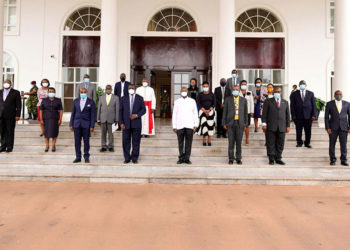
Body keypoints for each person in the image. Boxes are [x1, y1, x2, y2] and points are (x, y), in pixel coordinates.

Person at [262, 87, 291, 165]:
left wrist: (288, 125)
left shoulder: (285, 102)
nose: (277, 93)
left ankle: (278, 158)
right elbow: (264, 114)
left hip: (282, 126)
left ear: (281, 92)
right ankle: (271, 158)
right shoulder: (268, 101)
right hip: (271, 125)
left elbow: (287, 115)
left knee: (280, 143)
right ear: (273, 92)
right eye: (276, 91)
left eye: (279, 91)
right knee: (270, 143)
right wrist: (264, 124)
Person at [119, 84, 146, 164]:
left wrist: (137, 115)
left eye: (132, 88)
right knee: (125, 142)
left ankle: (134, 158)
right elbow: (120, 111)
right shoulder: (123, 98)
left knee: (136, 142)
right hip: (125, 124)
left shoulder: (140, 98)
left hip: (136, 124)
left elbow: (144, 110)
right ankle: (127, 158)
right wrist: (121, 123)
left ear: (135, 89)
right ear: (128, 89)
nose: (131, 89)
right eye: (130, 88)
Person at [222, 85, 248, 165]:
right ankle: (231, 158)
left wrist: (246, 124)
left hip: (240, 123)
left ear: (239, 90)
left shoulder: (243, 100)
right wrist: (224, 123)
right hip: (230, 123)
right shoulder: (227, 100)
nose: (235, 91)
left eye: (237, 89)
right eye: (234, 89)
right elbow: (224, 112)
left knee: (239, 142)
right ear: (232, 90)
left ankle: (238, 158)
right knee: (231, 142)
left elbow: (245, 113)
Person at [172, 86, 199, 164]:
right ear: (180, 92)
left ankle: (187, 158)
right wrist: (174, 126)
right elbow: (174, 114)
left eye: (185, 90)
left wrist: (195, 125)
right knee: (180, 143)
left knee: (188, 143)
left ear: (187, 91)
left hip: (189, 125)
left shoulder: (192, 101)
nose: (184, 92)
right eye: (182, 91)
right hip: (179, 125)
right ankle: (181, 157)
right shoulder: (177, 102)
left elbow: (195, 114)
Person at [70, 88, 96, 163]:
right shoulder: (75, 101)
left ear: (87, 92)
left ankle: (86, 156)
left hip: (86, 125)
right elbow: (73, 113)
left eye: (84, 92)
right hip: (77, 124)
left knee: (86, 141)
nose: (83, 93)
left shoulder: (91, 102)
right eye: (82, 92)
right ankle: (78, 157)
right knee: (77, 141)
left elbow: (93, 115)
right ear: (80, 92)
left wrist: (92, 126)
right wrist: (71, 124)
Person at [325, 90, 350, 166]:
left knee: (343, 145)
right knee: (332, 144)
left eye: (340, 94)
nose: (338, 95)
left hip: (344, 128)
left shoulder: (347, 104)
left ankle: (343, 160)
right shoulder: (329, 104)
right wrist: (327, 127)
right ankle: (332, 159)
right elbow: (326, 117)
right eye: (337, 94)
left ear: (342, 95)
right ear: (334, 95)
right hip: (332, 128)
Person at [290, 80, 317, 148]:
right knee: (298, 130)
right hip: (298, 116)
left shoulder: (310, 93)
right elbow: (292, 105)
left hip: (308, 116)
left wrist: (314, 115)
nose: (302, 85)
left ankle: (307, 143)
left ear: (306, 85)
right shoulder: (294, 94)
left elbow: (314, 105)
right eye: (301, 84)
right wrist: (293, 115)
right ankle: (299, 142)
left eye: (303, 84)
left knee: (308, 131)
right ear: (299, 85)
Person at [0, 79, 21, 153]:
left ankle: (9, 147)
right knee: (2, 131)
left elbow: (19, 105)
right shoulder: (0, 91)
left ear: (11, 84)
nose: (6, 84)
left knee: (10, 131)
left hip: (11, 115)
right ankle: (3, 146)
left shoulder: (16, 92)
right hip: (1, 115)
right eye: (5, 82)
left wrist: (18, 115)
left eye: (8, 83)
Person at [40, 87, 63, 152]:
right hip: (46, 119)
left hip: (55, 118)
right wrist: (41, 119)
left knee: (54, 133)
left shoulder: (58, 100)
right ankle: (47, 146)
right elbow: (41, 110)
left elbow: (61, 110)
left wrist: (60, 119)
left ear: (54, 93)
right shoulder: (44, 100)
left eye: (52, 91)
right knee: (46, 133)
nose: (51, 92)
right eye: (50, 91)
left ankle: (53, 145)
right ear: (48, 93)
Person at [97, 84, 119, 152]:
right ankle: (103, 146)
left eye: (109, 88)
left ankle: (110, 146)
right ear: (105, 89)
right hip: (103, 118)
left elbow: (117, 109)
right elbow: (99, 109)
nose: (108, 90)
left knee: (111, 134)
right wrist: (98, 119)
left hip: (111, 118)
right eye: (107, 88)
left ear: (111, 89)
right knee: (103, 133)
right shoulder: (101, 97)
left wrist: (117, 119)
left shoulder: (116, 97)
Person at [197, 81, 216, 146]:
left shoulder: (212, 94)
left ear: (208, 86)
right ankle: (204, 140)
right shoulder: (200, 94)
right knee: (204, 126)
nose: (205, 87)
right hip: (202, 112)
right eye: (204, 86)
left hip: (211, 112)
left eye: (206, 86)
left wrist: (210, 110)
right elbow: (198, 103)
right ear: (202, 87)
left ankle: (209, 140)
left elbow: (214, 103)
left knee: (210, 126)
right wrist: (204, 111)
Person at [239, 80, 254, 145]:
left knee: (247, 126)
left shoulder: (249, 93)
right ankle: (239, 139)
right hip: (239, 112)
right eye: (242, 84)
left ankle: (247, 138)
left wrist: (251, 112)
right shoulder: (238, 92)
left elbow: (252, 103)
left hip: (247, 112)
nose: (243, 85)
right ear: (240, 85)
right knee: (240, 126)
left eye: (245, 84)